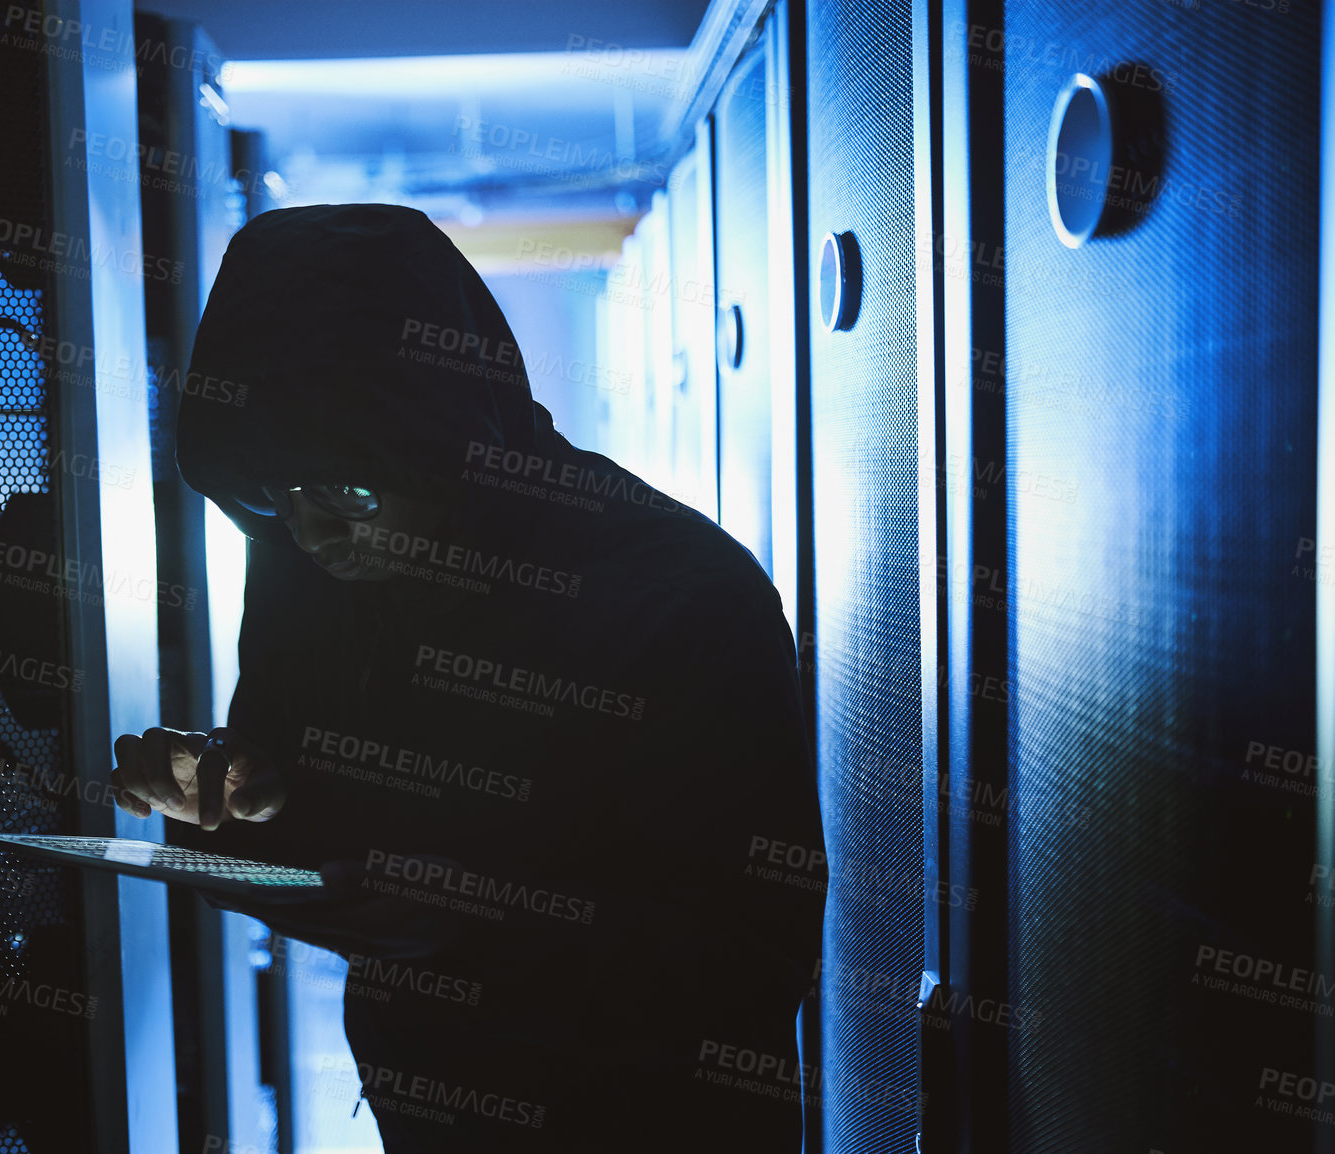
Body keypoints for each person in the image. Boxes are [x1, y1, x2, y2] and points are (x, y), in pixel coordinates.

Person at [111, 203, 825, 1152]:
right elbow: (309, 789)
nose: (316, 533)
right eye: (277, 496)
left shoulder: (684, 597)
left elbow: (749, 969)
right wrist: (243, 793)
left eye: (350, 492)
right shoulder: (313, 565)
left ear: (451, 444)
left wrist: (468, 918)